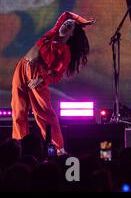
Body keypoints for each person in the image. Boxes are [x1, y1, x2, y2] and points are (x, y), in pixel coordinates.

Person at [11, 11, 95, 155]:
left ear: (71, 35)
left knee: (44, 113)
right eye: (65, 24)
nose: (64, 25)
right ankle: (19, 146)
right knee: (18, 110)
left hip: (37, 75)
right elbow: (66, 14)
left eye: (69, 26)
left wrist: (41, 78)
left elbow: (57, 75)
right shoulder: (53, 33)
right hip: (21, 67)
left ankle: (58, 148)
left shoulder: (65, 52)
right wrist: (81, 21)